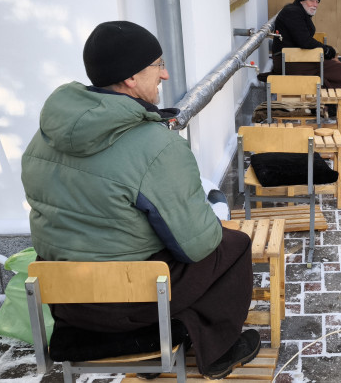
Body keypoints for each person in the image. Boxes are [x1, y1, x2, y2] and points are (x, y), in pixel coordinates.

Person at [21, 21, 259, 379]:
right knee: (231, 244)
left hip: (65, 299)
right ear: (131, 78)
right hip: (129, 303)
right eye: (158, 65)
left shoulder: (43, 138)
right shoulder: (156, 147)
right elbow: (197, 245)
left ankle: (163, 346)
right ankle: (219, 352)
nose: (164, 75)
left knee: (164, 255)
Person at [271, 0, 341, 95]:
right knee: (337, 68)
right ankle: (326, 101)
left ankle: (324, 100)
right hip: (288, 62)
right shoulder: (292, 13)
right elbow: (304, 41)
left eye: (317, 2)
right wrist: (326, 49)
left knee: (333, 68)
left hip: (296, 58)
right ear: (302, 0)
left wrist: (324, 50)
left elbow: (303, 39)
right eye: (312, 1)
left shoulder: (298, 11)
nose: (315, 5)